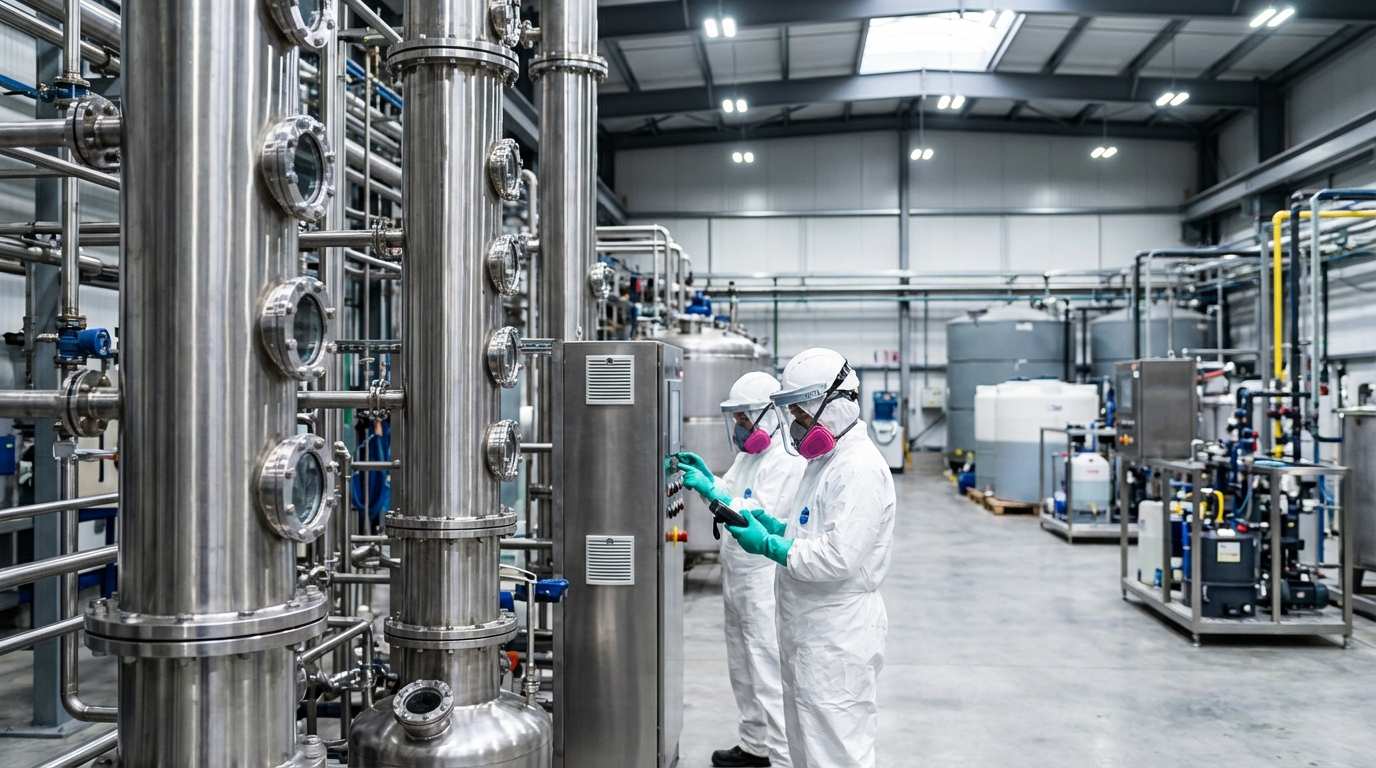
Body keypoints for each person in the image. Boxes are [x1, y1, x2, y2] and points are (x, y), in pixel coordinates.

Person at [724, 348, 895, 768]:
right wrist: (778, 528)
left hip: (837, 633)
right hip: (809, 627)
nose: (798, 428)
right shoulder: (826, 461)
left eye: (802, 416)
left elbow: (839, 557)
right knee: (805, 747)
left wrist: (770, 546)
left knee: (835, 752)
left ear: (834, 404)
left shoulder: (859, 468)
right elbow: (816, 531)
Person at [676, 371, 806, 768]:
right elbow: (730, 490)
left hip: (763, 577)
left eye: (744, 419)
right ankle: (755, 745)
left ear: (767, 415)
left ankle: (782, 757)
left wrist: (713, 492)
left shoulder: (785, 460)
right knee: (742, 664)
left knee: (766, 667)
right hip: (736, 574)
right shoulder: (749, 456)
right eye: (736, 420)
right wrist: (707, 482)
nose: (739, 427)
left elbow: (755, 513)